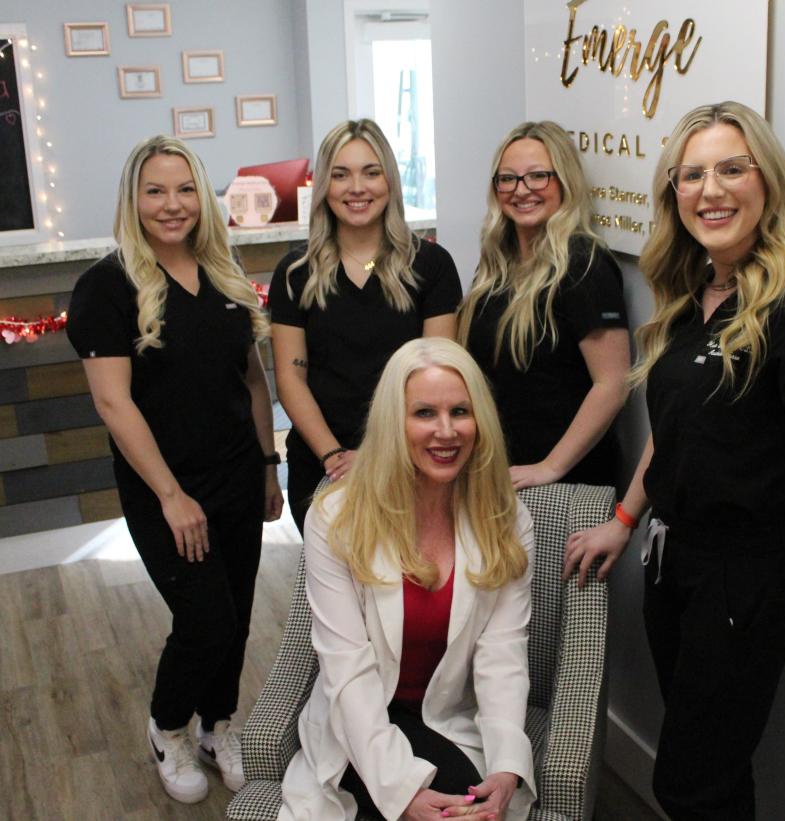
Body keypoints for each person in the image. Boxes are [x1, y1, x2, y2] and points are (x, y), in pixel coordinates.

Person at [563, 101, 785, 819]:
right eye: (693, 174)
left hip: (744, 578)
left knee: (689, 783)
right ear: (673, 192)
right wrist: (625, 517)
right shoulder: (688, 297)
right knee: (714, 770)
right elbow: (672, 432)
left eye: (733, 168)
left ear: (768, 181)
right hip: (674, 563)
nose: (712, 190)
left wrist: (781, 539)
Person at [66, 135, 284, 804]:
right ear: (134, 199)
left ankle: (219, 723)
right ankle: (168, 726)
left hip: (238, 476)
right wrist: (169, 493)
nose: (172, 204)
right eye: (155, 190)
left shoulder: (223, 271)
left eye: (185, 189)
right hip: (168, 490)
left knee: (239, 613)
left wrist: (269, 463)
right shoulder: (107, 285)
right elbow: (112, 400)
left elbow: (250, 377)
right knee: (205, 619)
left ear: (203, 198)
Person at [278, 337, 537, 821]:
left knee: (473, 809)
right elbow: (346, 668)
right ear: (393, 423)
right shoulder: (337, 517)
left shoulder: (507, 518)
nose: (446, 432)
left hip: (442, 716)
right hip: (359, 722)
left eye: (460, 411)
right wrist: (400, 792)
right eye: (423, 413)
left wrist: (506, 767)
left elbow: (503, 654)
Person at [270, 119, 462, 535]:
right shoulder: (294, 274)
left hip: (413, 462)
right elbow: (290, 378)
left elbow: (437, 376)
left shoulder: (431, 265)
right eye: (341, 174)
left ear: (390, 182)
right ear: (324, 186)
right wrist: (334, 456)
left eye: (371, 172)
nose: (357, 187)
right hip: (323, 467)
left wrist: (380, 455)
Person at [458, 121, 630, 489]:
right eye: (508, 179)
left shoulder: (584, 263)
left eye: (538, 176)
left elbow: (612, 383)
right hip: (501, 475)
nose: (522, 191)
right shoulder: (496, 265)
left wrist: (551, 466)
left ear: (564, 181)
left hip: (565, 483)